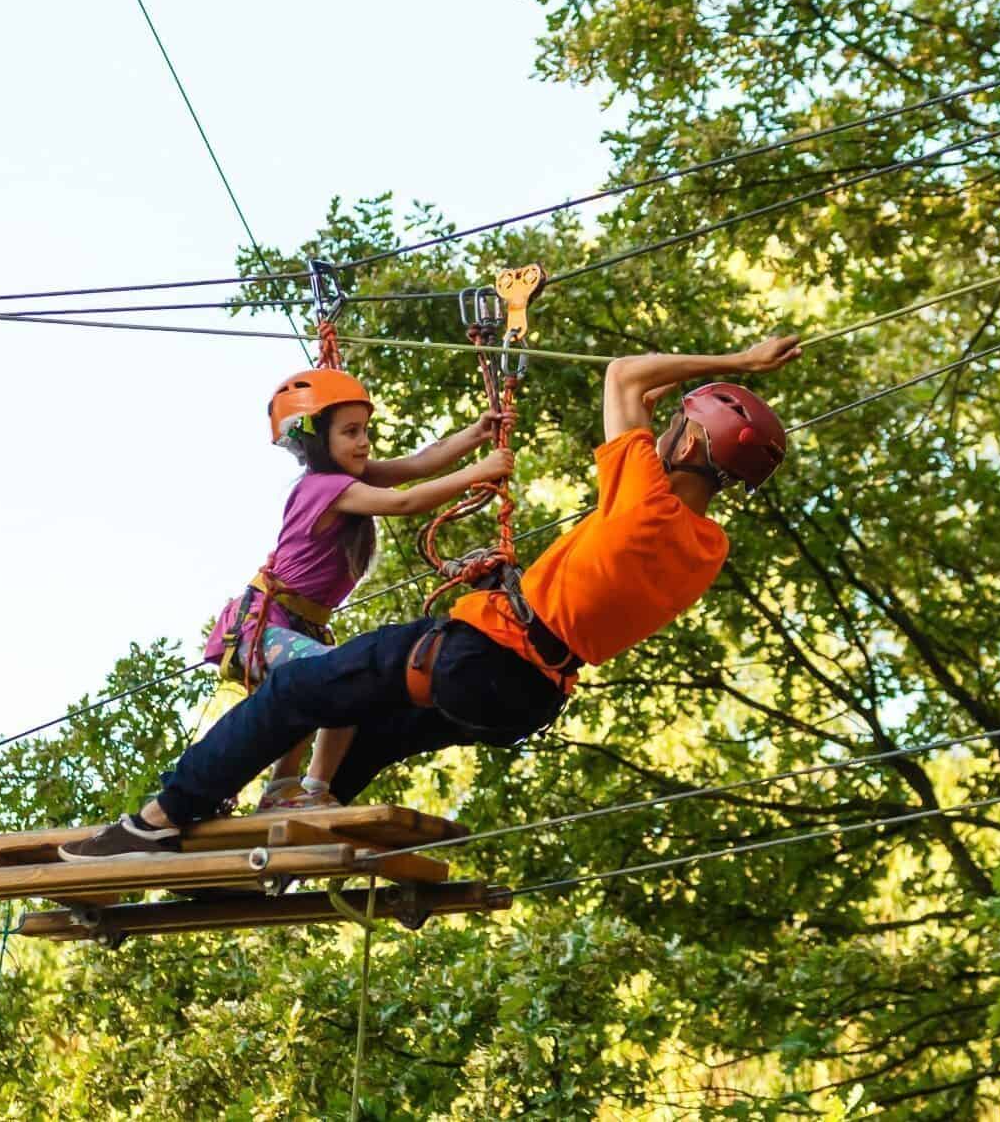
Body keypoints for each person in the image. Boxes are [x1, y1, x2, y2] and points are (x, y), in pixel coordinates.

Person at [62, 336, 800, 859]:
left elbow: (626, 375)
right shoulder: (707, 551)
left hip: (478, 655)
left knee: (296, 690)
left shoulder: (643, 496)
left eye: (673, 426)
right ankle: (280, 850)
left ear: (686, 446)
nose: (658, 428)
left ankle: (164, 814)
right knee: (371, 734)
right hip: (526, 697)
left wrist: (740, 363)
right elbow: (586, 593)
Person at [204, 366, 509, 812]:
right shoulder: (323, 488)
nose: (363, 441)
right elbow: (405, 501)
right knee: (340, 678)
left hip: (297, 623)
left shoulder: (351, 478)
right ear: (313, 438)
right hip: (263, 622)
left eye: (365, 430)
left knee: (343, 685)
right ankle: (287, 790)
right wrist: (480, 472)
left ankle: (310, 791)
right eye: (350, 432)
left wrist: (474, 435)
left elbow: (417, 464)